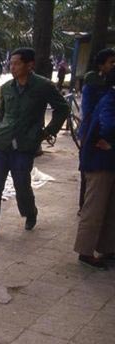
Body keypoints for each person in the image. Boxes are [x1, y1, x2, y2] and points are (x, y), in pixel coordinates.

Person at [0, 48, 69, 239]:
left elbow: (62, 108)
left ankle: (30, 212)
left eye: (17, 63)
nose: (13, 67)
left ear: (29, 65)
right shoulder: (7, 87)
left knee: (21, 185)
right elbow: (1, 112)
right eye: (11, 63)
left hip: (25, 145)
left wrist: (47, 132)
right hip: (2, 143)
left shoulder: (43, 86)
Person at [74, 83, 115, 270]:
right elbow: (108, 127)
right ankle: (86, 251)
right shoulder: (110, 100)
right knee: (94, 208)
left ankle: (107, 248)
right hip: (99, 162)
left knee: (109, 209)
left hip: (108, 161)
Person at [78, 49, 115, 210]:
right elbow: (89, 112)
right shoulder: (94, 84)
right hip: (94, 133)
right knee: (91, 171)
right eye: (111, 63)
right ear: (101, 65)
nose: (113, 66)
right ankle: (84, 205)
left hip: (101, 134)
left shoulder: (108, 83)